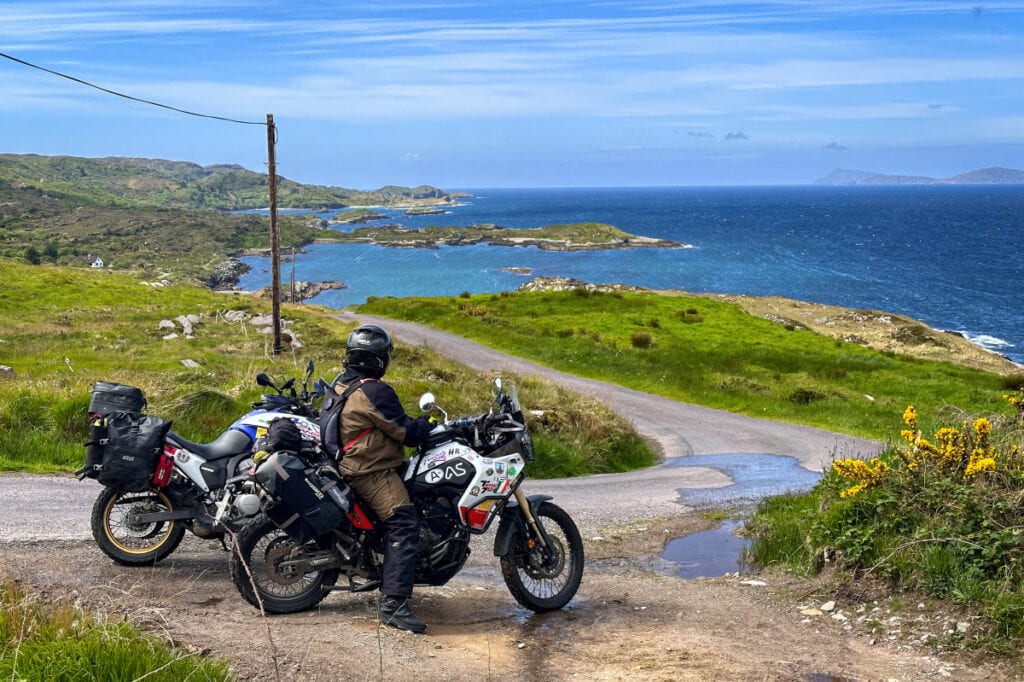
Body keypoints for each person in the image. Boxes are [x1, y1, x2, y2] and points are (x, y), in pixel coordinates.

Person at [332, 324, 434, 633]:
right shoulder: (374, 390)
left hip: (347, 463)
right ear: (379, 358)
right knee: (404, 522)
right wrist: (428, 425)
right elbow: (405, 431)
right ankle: (393, 604)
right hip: (368, 471)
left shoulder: (342, 383)